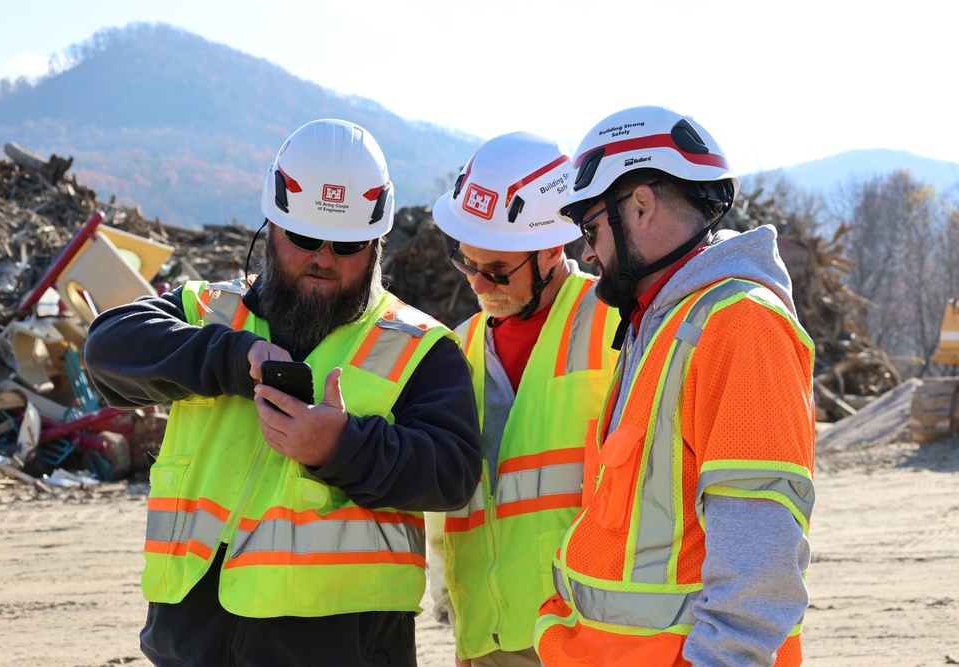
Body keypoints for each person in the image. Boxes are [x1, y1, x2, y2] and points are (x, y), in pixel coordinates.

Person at [83, 118, 482, 667]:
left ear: (375, 245)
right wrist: (225, 356)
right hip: (188, 648)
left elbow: (452, 473)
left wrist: (342, 448)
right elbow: (106, 350)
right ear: (270, 227)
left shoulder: (418, 348)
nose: (323, 256)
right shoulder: (212, 311)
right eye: (303, 238)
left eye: (346, 244)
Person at [534, 106, 816, 666]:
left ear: (639, 205)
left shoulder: (739, 325)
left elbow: (758, 569)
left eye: (591, 229)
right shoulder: (662, 323)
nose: (586, 253)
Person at [426, 131, 620, 667]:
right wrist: (454, 610)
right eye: (467, 264)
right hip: (486, 639)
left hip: (586, 635)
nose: (479, 285)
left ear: (553, 247)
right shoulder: (458, 347)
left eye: (496, 271)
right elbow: (454, 501)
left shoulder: (616, 326)